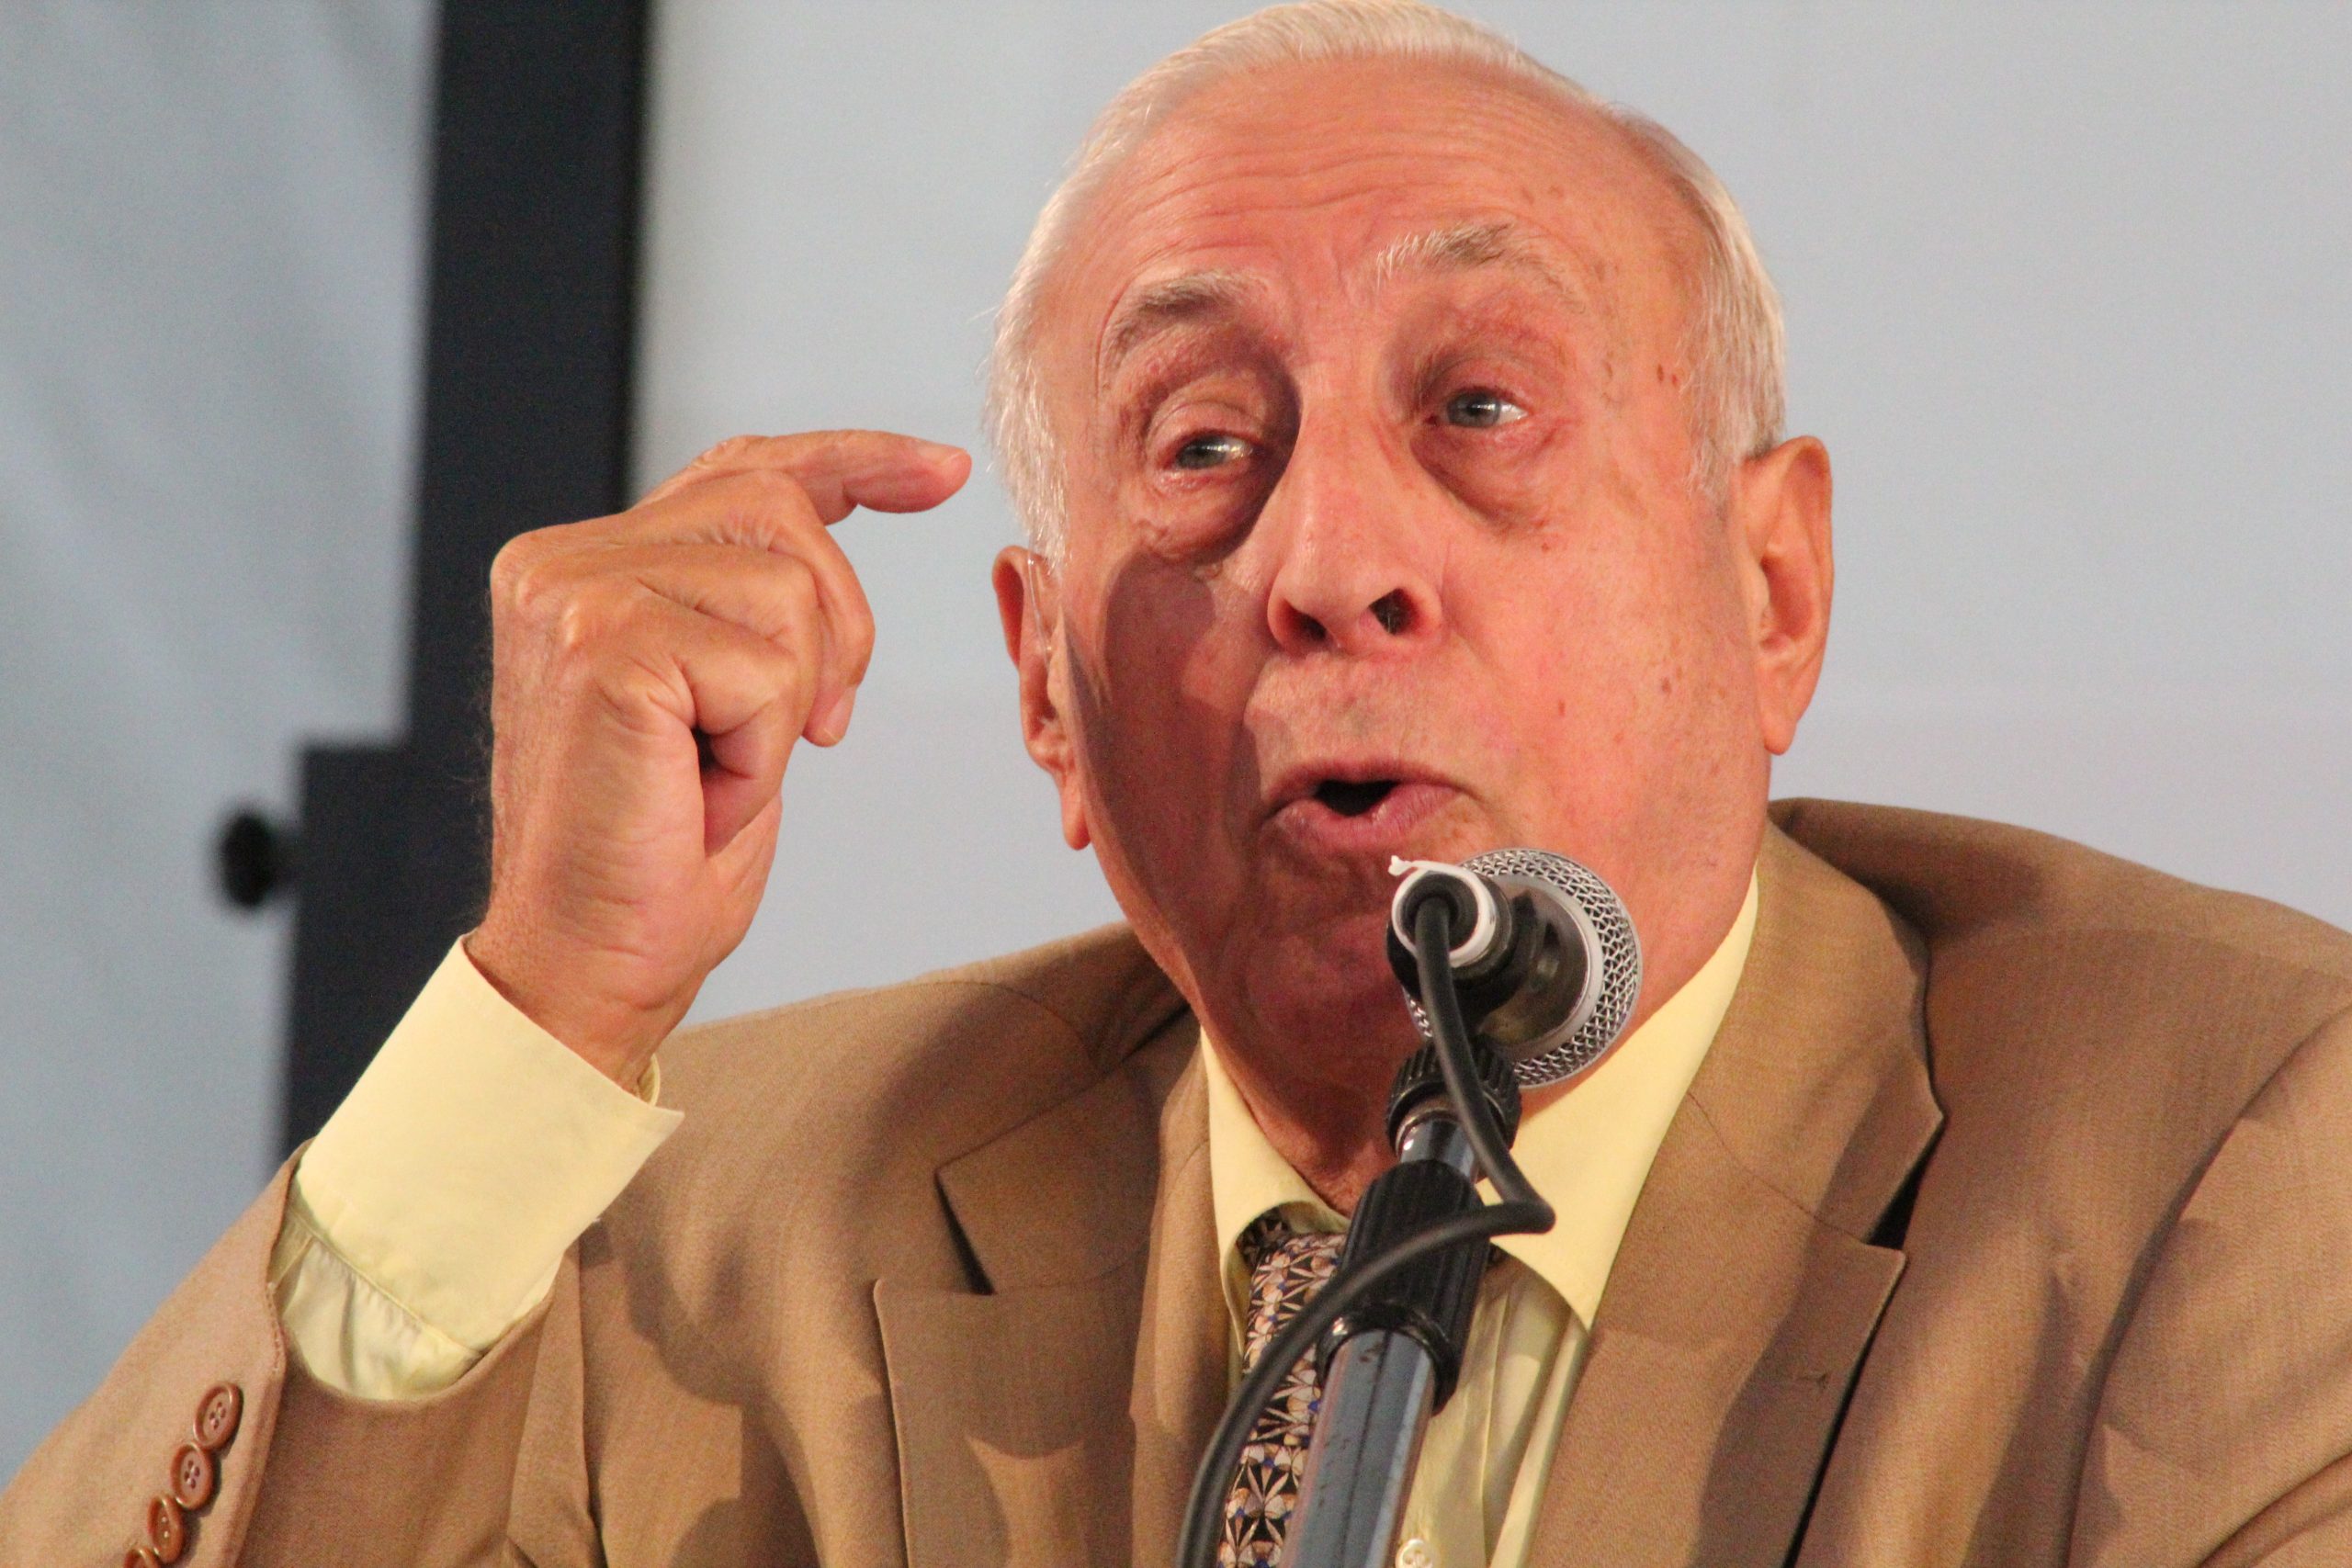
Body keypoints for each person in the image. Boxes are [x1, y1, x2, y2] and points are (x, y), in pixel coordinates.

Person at [9, 2, 2351, 1563]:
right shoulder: (704, 1247)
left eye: (1477, 411)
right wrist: (543, 1002)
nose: (1327, 564)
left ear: (1770, 591)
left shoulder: (2231, 1168)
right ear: (1046, 694)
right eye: (1205, 446)